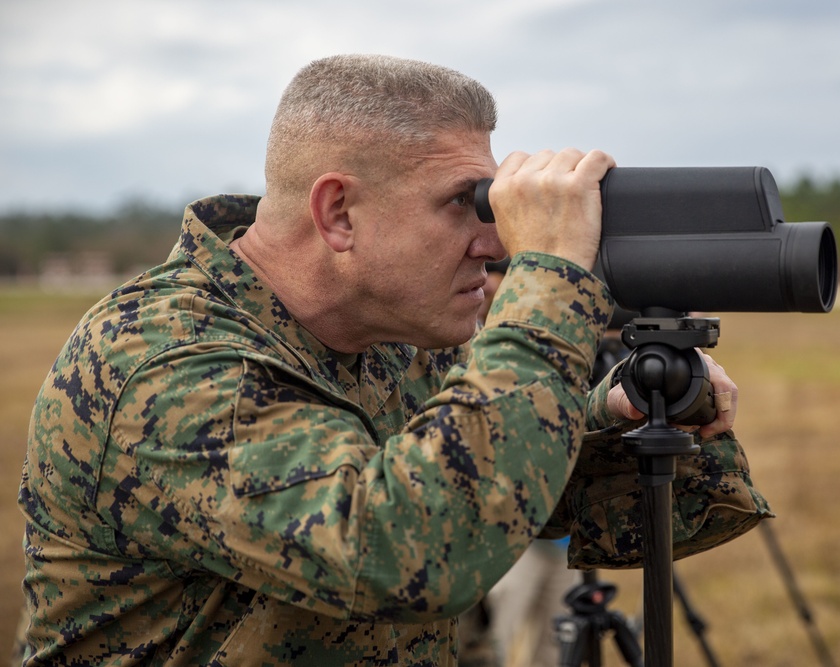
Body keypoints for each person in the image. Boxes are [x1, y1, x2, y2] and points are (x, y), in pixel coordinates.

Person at [18, 54, 771, 666]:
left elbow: (482, 482)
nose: (497, 240)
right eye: (462, 204)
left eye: (494, 206)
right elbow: (399, 547)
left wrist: (617, 411)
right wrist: (551, 283)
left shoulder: (391, 344)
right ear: (338, 213)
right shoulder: (161, 364)